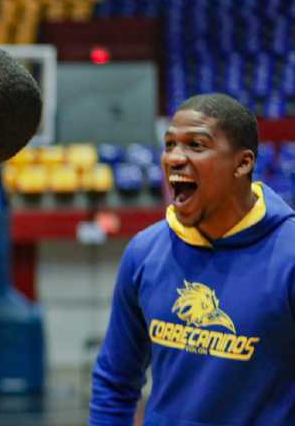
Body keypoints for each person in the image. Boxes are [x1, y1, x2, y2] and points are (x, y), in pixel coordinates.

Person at [90, 93, 295, 425]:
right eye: (170, 145)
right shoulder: (144, 251)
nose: (174, 157)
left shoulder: (288, 255)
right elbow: (115, 381)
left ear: (243, 163)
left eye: (196, 145)